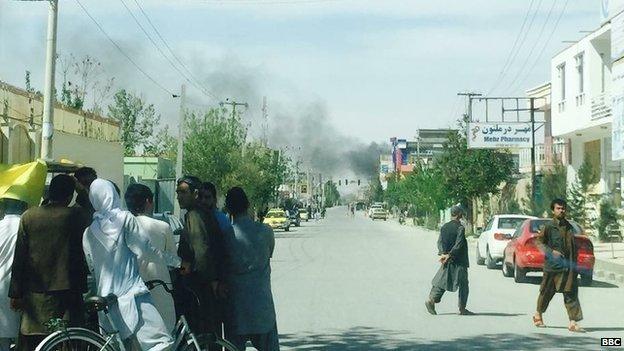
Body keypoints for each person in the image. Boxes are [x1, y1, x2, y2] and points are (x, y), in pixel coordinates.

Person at [83, 179, 181, 350]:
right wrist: (177, 262)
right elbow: (147, 250)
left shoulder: (89, 232)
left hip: (106, 299)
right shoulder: (125, 219)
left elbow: (92, 266)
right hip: (133, 297)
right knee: (161, 343)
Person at [9, 175, 91, 351]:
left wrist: (15, 293)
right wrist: (80, 189)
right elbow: (92, 207)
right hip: (68, 296)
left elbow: (20, 258)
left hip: (35, 298)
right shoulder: (76, 216)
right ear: (69, 197)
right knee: (67, 341)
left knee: (33, 342)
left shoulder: (29, 216)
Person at [223, 187, 280, 351]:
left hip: (236, 307)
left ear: (228, 208)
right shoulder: (265, 231)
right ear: (248, 205)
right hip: (262, 305)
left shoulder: (226, 235)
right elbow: (269, 254)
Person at [125, 183, 177, 332]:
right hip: (160, 290)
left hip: (130, 291)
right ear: (148, 202)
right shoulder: (162, 227)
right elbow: (172, 260)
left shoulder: (123, 228)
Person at [176, 176, 220, 346]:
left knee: (197, 334)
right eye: (178, 192)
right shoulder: (203, 213)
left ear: (195, 194)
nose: (179, 196)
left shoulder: (194, 215)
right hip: (204, 285)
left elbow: (201, 251)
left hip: (197, 286)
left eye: (183, 192)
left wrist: (199, 280)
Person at [533, 198, 584, 332]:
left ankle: (573, 322)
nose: (561, 211)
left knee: (571, 293)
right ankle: (538, 314)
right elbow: (538, 243)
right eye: (558, 208)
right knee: (546, 292)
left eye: (563, 208)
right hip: (553, 267)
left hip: (568, 267)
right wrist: (550, 252)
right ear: (553, 210)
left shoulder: (569, 226)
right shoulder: (549, 227)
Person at [425, 206, 474, 316]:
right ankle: (462, 308)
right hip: (459, 261)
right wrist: (450, 255)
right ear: (459, 214)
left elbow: (440, 242)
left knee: (442, 281)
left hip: (447, 260)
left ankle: (431, 300)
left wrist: (443, 253)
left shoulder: (444, 227)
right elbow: (459, 244)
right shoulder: (460, 228)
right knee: (463, 284)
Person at [0, 199, 27, 351]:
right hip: (20, 287)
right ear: (24, 206)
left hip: (1, 286)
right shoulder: (27, 226)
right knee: (21, 334)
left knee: (1, 336)